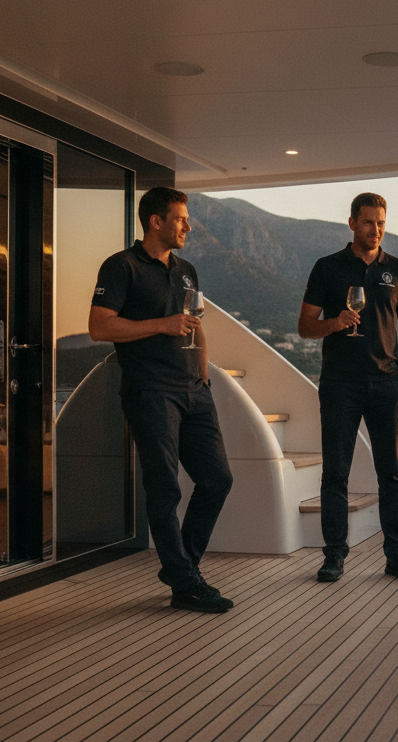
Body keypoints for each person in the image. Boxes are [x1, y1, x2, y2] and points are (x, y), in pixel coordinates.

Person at [88, 186, 234, 613]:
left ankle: (180, 568)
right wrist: (161, 325)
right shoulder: (121, 267)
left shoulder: (186, 269)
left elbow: (197, 322)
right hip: (151, 391)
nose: (188, 225)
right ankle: (186, 582)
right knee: (165, 488)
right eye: (181, 218)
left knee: (217, 479)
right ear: (156, 221)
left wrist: (203, 376)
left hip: (194, 391)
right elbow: (100, 327)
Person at [298, 192, 398, 584]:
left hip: (388, 382)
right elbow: (305, 326)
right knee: (336, 473)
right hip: (340, 383)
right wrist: (333, 323)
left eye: (382, 223)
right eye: (369, 222)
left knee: (392, 473)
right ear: (352, 223)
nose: (376, 230)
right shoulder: (327, 268)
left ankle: (397, 555)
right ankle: (334, 556)